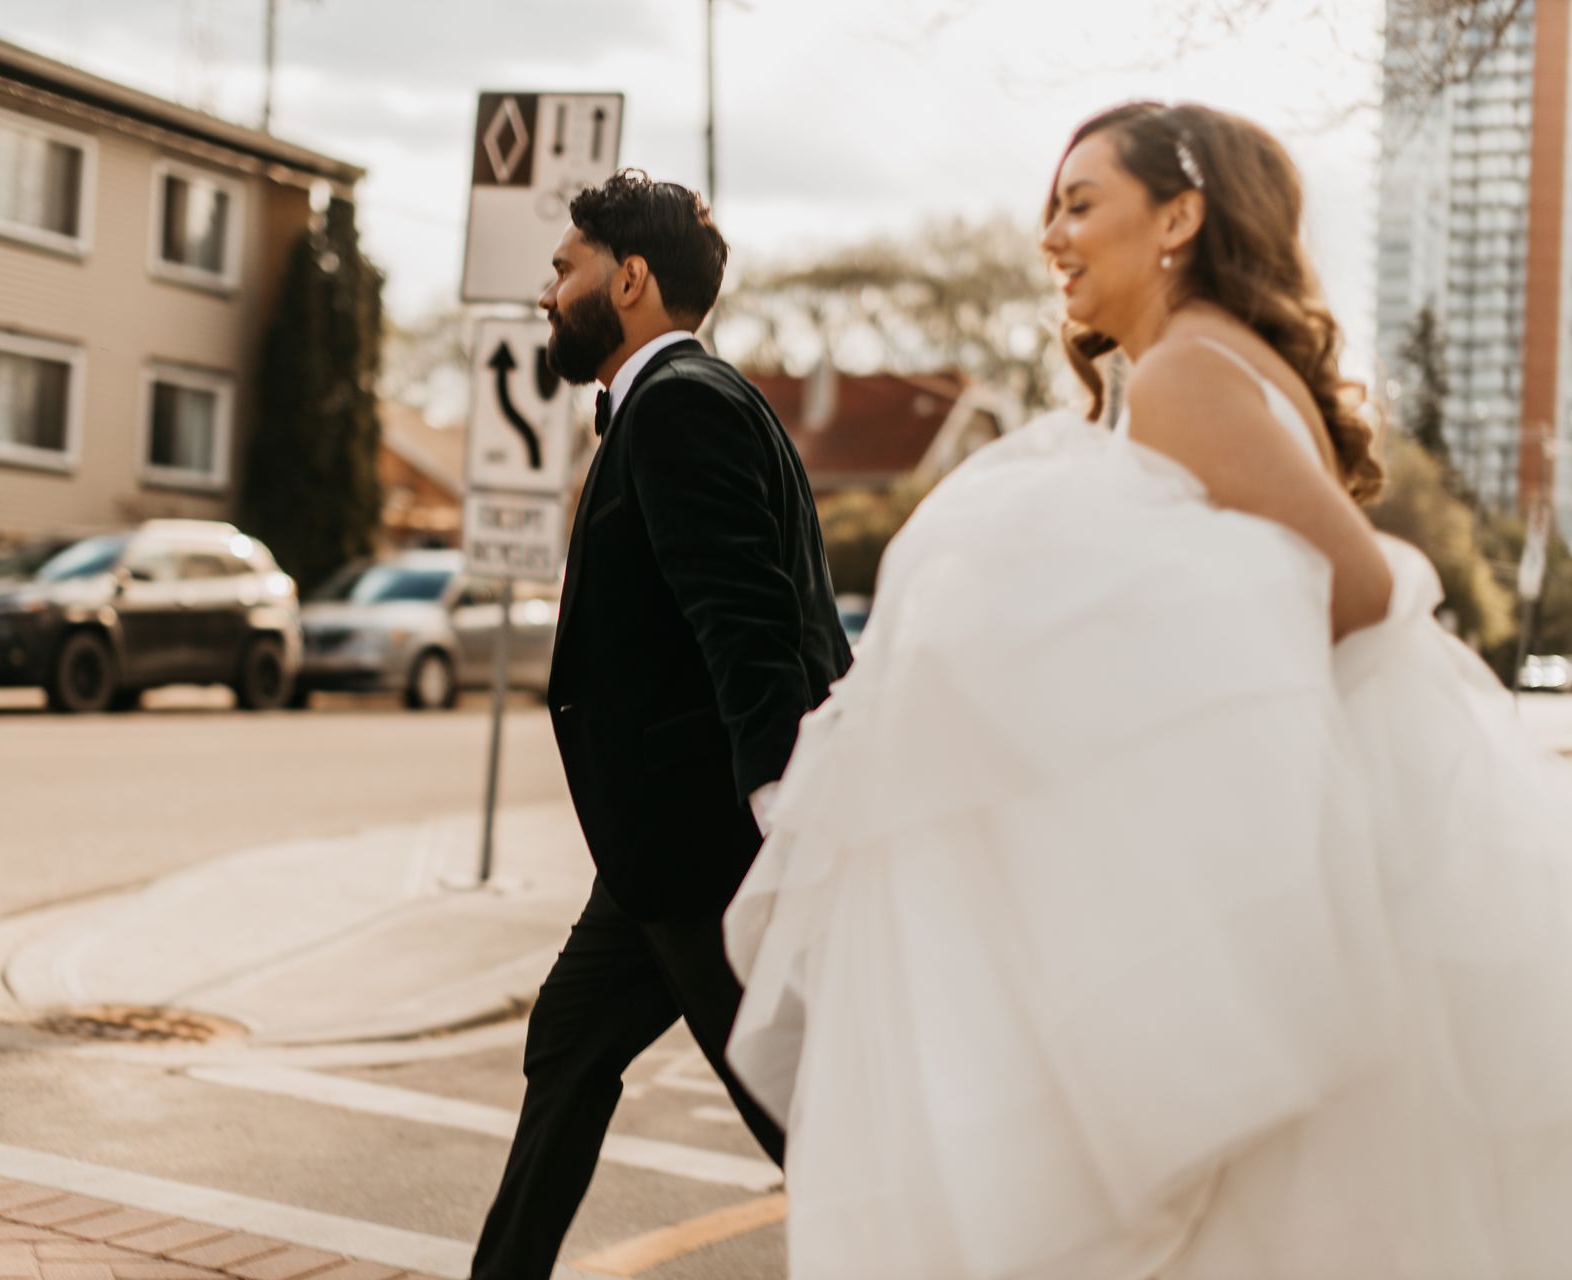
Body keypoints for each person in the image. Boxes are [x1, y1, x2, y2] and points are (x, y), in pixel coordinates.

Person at [725, 101, 1572, 1279]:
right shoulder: (1212, 359)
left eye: (1081, 205)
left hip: (1305, 849)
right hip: (1344, 838)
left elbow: (1360, 587)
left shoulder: (1187, 371)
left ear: (1178, 218)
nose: (1051, 238)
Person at [468, 170, 852, 1278]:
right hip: (659, 853)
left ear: (629, 279)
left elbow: (748, 624)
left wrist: (780, 820)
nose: (549, 292)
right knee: (567, 1043)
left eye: (565, 268)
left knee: (806, 1118)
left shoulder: (683, 406)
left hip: (710, 852)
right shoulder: (682, 399)